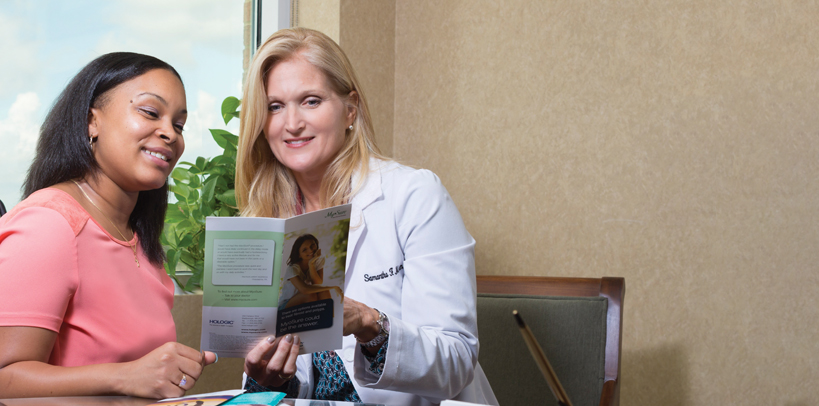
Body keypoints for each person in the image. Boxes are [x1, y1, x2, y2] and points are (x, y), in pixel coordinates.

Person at [236, 28, 498, 405]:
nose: (291, 123)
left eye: (310, 101)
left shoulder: (414, 195)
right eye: (275, 106)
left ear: (350, 109)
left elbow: (456, 360)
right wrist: (271, 378)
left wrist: (368, 323)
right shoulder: (265, 222)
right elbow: (286, 385)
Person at [0, 52, 216, 399]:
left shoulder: (140, 241)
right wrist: (123, 376)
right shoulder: (49, 225)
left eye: (179, 125)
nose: (170, 134)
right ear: (91, 122)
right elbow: (4, 378)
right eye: (150, 112)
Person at [279, 233, 342, 309]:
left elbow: (317, 283)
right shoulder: (292, 269)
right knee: (310, 295)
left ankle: (329, 319)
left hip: (305, 300)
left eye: (312, 245)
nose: (310, 250)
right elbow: (304, 290)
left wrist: (311, 264)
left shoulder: (318, 261)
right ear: (299, 255)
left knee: (324, 292)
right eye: (305, 249)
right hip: (286, 305)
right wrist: (333, 287)